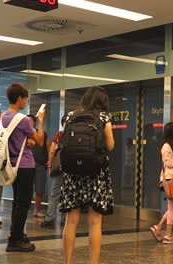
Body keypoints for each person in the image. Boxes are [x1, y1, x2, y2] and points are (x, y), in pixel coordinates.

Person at [59, 86, 115, 264]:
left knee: (71, 221)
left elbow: (64, 142)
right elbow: (110, 145)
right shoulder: (104, 117)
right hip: (95, 173)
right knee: (95, 222)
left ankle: (67, 262)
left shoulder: (69, 116)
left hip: (72, 174)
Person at [3, 82, 45, 252]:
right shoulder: (22, 119)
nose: (26, 102)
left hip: (11, 165)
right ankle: (15, 240)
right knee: (23, 203)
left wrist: (25, 142)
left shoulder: (3, 117)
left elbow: (12, 140)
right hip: (25, 166)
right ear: (19, 98)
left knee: (17, 202)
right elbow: (40, 141)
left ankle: (16, 234)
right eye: (25, 99)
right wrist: (40, 120)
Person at [40, 114, 68, 229]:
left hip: (59, 168)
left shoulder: (59, 135)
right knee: (67, 194)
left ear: (62, 123)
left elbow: (52, 152)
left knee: (55, 194)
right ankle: (64, 219)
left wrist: (50, 165)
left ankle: (50, 219)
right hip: (72, 169)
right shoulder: (76, 135)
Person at [27, 114, 51, 218]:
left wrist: (50, 159)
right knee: (27, 189)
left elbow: (48, 147)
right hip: (27, 166)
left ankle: (36, 210)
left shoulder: (42, 134)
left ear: (34, 122)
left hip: (41, 165)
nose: (29, 122)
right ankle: (25, 209)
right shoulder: (24, 134)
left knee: (40, 189)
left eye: (30, 121)